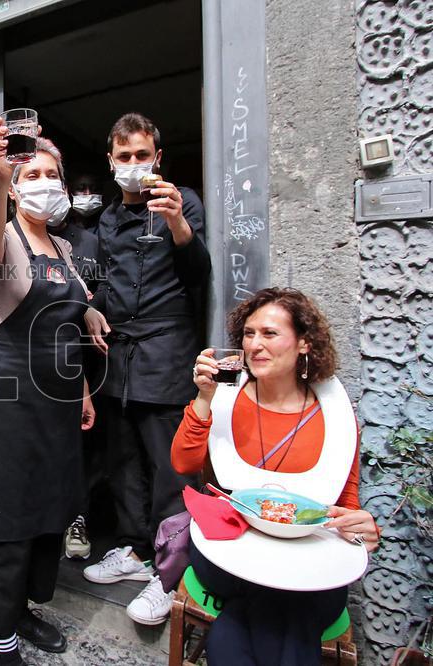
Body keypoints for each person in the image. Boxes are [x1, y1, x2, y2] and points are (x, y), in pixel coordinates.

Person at [173, 287, 380, 664]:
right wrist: (203, 397)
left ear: (304, 343)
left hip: (303, 562)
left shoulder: (334, 414)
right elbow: (184, 464)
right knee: (286, 609)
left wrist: (362, 530)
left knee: (263, 610)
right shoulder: (226, 396)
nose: (255, 345)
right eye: (249, 334)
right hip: (232, 551)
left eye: (269, 333)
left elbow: (344, 503)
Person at [0, 118, 109, 666]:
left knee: (51, 506)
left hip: (58, 399)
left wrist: (84, 385)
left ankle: (23, 610)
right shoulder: (2, 237)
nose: (45, 182)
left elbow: (66, 315)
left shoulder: (65, 248)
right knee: (10, 517)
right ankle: (1, 640)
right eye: (33, 174)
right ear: (15, 185)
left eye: (53, 174)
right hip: (8, 402)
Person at [83, 112, 211, 626]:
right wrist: (90, 311)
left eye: (142, 154)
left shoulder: (184, 202)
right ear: (111, 161)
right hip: (117, 355)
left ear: (158, 157)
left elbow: (198, 275)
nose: (133, 163)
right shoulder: (107, 219)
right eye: (124, 156)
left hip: (166, 351)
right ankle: (134, 550)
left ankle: (169, 572)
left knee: (170, 468)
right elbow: (101, 282)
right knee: (123, 462)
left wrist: (178, 223)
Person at [53, 169, 105, 561]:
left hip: (82, 357)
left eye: (53, 179)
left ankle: (77, 518)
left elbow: (104, 291)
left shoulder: (89, 241)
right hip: (37, 359)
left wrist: (88, 307)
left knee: (81, 445)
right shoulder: (14, 239)